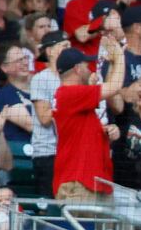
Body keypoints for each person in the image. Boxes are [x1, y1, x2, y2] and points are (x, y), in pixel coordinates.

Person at [52, 41, 125, 204]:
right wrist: (120, 56)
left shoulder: (74, 97)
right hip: (79, 184)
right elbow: (115, 86)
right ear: (77, 69)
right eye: (86, 66)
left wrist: (107, 132)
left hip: (94, 182)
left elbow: (84, 132)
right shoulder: (70, 93)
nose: (89, 70)